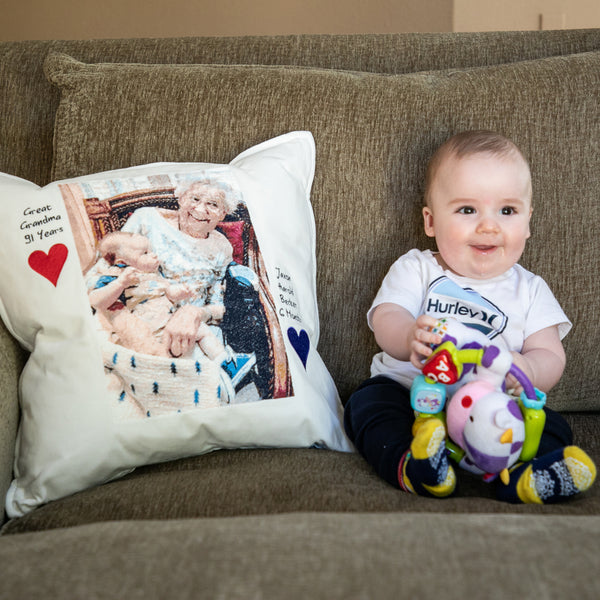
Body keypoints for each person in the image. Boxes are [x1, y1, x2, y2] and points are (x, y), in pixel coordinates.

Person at [344, 130, 596, 504]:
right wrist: (409, 334)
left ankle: (527, 478)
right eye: (467, 210)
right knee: (366, 405)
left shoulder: (530, 289)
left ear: (527, 222)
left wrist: (527, 367)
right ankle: (417, 465)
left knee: (551, 425)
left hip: (495, 409)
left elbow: (550, 353)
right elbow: (386, 316)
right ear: (431, 222)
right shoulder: (417, 269)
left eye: (507, 211)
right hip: (412, 395)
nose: (488, 226)